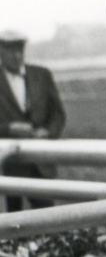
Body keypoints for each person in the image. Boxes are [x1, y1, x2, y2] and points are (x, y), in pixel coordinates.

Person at [0, 29, 67, 211]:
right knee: (14, 224)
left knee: (47, 218)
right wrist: (9, 129)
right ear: (1, 51)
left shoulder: (41, 75)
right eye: (10, 51)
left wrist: (47, 133)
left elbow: (58, 114)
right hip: (11, 165)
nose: (16, 56)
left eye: (19, 50)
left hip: (42, 163)